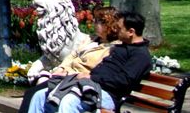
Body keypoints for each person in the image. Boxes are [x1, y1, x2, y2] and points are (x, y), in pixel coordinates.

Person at [23, 11, 151, 113]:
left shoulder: (140, 55)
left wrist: (92, 77)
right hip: (90, 85)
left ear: (131, 32)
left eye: (119, 28)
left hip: (108, 94)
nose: (116, 31)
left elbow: (123, 81)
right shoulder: (122, 47)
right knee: (40, 96)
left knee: (69, 101)